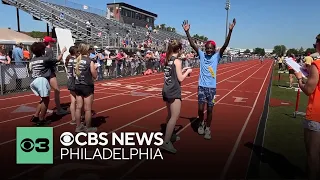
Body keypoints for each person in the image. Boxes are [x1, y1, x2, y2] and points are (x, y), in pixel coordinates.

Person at [183, 18, 236, 140]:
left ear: (214, 49)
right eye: (207, 48)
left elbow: (225, 45)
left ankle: (208, 128)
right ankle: (201, 123)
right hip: (201, 86)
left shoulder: (217, 56)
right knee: (200, 109)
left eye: (211, 48)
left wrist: (230, 31)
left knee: (210, 109)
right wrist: (187, 32)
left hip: (211, 88)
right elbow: (192, 44)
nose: (209, 50)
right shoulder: (201, 55)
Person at [294, 34, 320, 180]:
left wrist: (299, 77)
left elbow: (308, 90)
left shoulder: (318, 65)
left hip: (316, 115)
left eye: (316, 43)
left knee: (312, 158)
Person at [160, 39, 192, 153]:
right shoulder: (177, 61)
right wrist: (187, 72)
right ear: (179, 49)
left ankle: (171, 135)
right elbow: (180, 78)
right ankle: (166, 142)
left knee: (169, 115)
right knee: (174, 117)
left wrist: (182, 70)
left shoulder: (168, 59)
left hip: (166, 89)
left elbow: (172, 73)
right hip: (174, 90)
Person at [29, 42, 66, 125]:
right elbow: (58, 59)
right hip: (42, 80)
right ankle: (41, 119)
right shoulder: (44, 59)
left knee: (43, 99)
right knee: (46, 100)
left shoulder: (32, 60)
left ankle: (35, 116)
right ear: (42, 50)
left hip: (34, 80)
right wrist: (62, 52)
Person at [74, 43, 98, 132]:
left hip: (77, 85)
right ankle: (88, 127)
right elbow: (94, 75)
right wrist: (95, 68)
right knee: (87, 109)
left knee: (78, 107)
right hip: (87, 86)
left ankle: (78, 126)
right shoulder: (89, 61)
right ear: (86, 51)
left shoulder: (76, 60)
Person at [43, 36, 69, 115]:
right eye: (52, 42)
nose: (53, 43)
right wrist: (62, 52)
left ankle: (45, 108)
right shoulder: (49, 50)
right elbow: (55, 60)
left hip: (43, 72)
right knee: (57, 90)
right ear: (49, 42)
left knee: (45, 92)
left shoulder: (42, 50)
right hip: (49, 71)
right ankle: (59, 109)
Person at [65, 46, 78, 125]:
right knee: (80, 101)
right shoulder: (75, 61)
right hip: (75, 81)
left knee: (73, 101)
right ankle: (80, 117)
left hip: (70, 80)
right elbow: (76, 73)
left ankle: (73, 119)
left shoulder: (69, 60)